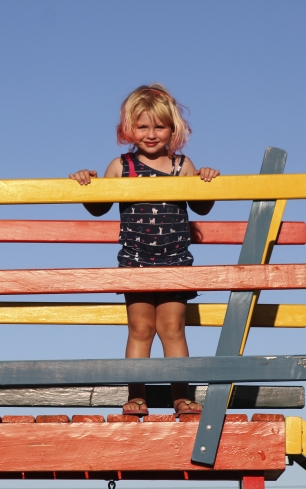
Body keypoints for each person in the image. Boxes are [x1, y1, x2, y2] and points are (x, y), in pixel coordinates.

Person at [70, 84, 220, 417]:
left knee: (172, 328)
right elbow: (98, 209)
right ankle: (136, 395)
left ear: (173, 129)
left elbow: (203, 208)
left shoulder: (184, 166)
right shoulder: (121, 166)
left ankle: (181, 396)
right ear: (129, 129)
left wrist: (206, 181)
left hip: (175, 260)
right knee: (140, 329)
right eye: (143, 126)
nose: (151, 134)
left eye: (159, 127)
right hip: (136, 260)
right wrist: (87, 184)